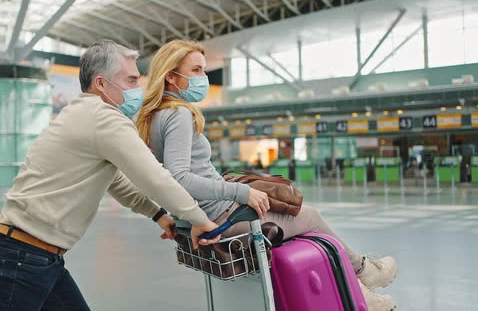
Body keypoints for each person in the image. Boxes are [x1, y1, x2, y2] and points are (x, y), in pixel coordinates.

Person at [136, 40, 399, 311]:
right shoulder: (178, 113)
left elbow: (164, 176)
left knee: (297, 221)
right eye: (196, 70)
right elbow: (180, 177)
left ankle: (362, 292)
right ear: (171, 75)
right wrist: (242, 192)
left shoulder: (154, 117)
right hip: (223, 216)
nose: (203, 78)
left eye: (204, 70)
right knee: (310, 217)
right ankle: (365, 272)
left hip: (203, 213)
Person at [0, 40, 220, 311]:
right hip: (22, 257)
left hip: (37, 256)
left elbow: (116, 182)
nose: (137, 89)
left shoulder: (81, 112)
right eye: (130, 81)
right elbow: (155, 177)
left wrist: (159, 215)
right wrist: (199, 219)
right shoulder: (105, 118)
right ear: (102, 83)